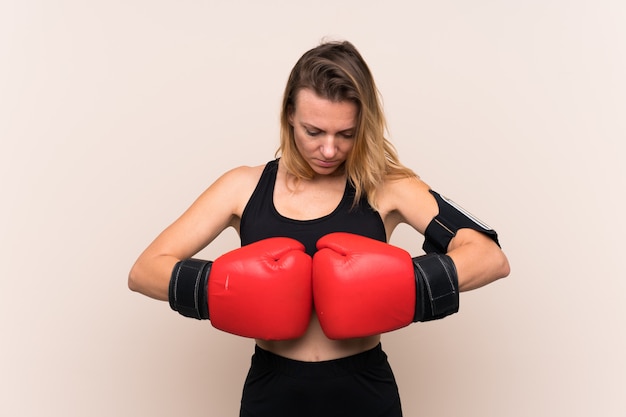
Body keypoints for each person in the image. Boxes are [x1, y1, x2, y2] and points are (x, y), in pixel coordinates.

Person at [128, 40, 510, 417]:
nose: (329, 150)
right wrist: (224, 286)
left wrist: (405, 283)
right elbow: (145, 271)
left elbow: (490, 257)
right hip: (272, 391)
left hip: (363, 390)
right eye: (314, 132)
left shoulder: (385, 187)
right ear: (289, 115)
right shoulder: (242, 187)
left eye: (346, 134)